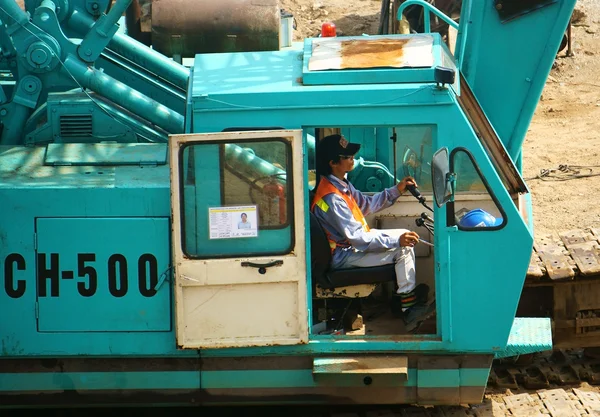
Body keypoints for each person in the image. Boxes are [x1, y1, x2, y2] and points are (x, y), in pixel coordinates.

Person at [311, 134, 435, 331]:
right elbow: (359, 239)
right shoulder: (332, 198)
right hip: (343, 256)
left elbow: (367, 204)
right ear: (333, 163)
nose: (352, 157)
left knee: (403, 236)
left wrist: (397, 190)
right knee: (402, 249)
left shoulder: (342, 186)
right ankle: (409, 309)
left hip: (350, 248)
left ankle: (400, 299)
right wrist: (397, 240)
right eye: (347, 156)